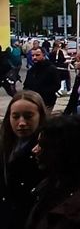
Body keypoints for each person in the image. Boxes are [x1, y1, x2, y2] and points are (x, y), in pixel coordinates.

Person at [0, 91, 48, 229]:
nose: (21, 123)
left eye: (28, 116)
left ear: (40, 116)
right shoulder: (6, 145)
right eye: (15, 116)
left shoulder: (48, 150)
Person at [23, 47, 61, 114]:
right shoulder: (31, 71)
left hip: (47, 102)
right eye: (32, 55)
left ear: (43, 55)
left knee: (43, 121)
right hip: (33, 102)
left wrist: (40, 92)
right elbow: (26, 85)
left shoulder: (51, 69)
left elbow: (57, 85)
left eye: (37, 55)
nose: (34, 57)